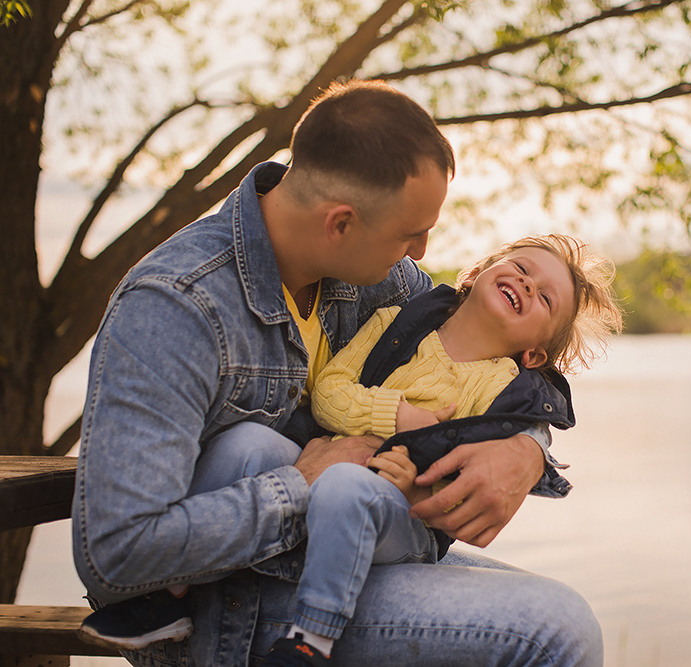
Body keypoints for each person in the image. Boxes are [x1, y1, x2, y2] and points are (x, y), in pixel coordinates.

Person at [71, 79, 604, 666]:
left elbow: (490, 357)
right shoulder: (176, 307)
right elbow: (116, 555)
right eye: (410, 233)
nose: (423, 253)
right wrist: (303, 483)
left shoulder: (378, 272)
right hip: (232, 597)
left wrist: (526, 448)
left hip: (343, 537)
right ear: (340, 223)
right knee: (557, 630)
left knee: (560, 611)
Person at [257, 234, 622, 665]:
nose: (526, 286)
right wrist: (398, 416)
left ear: (535, 355)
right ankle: (176, 589)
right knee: (249, 445)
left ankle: (310, 641)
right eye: (522, 270)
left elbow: (468, 492)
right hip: (322, 478)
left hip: (403, 523)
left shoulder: (499, 390)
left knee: (346, 487)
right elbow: (329, 393)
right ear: (474, 275)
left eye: (544, 298)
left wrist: (415, 488)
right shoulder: (391, 323)